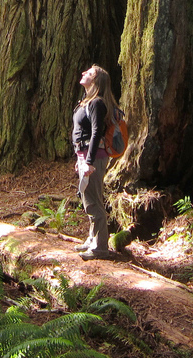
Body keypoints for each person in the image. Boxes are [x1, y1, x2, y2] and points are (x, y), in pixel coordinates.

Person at [71, 64, 118, 261]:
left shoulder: (97, 103)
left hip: (95, 157)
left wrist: (88, 161)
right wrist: (80, 158)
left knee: (93, 200)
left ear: (96, 81)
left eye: (89, 73)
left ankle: (100, 248)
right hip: (85, 155)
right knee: (86, 197)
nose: (84, 73)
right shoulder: (86, 102)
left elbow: (97, 131)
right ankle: (92, 239)